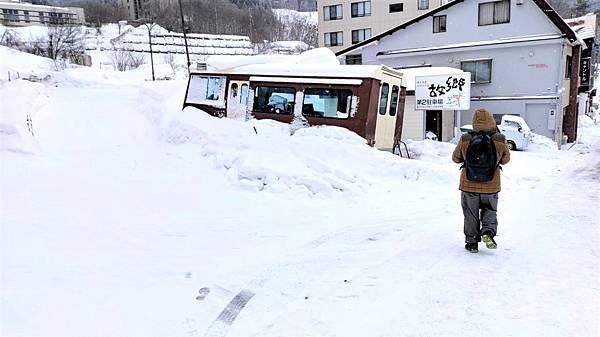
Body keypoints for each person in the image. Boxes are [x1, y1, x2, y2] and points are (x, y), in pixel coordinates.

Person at [452, 108, 510, 253]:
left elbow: (455, 158)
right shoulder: (500, 138)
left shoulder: (466, 138)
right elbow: (505, 160)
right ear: (491, 120)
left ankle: (471, 242)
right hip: (491, 184)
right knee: (490, 210)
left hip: (468, 184)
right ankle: (488, 232)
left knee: (470, 214)